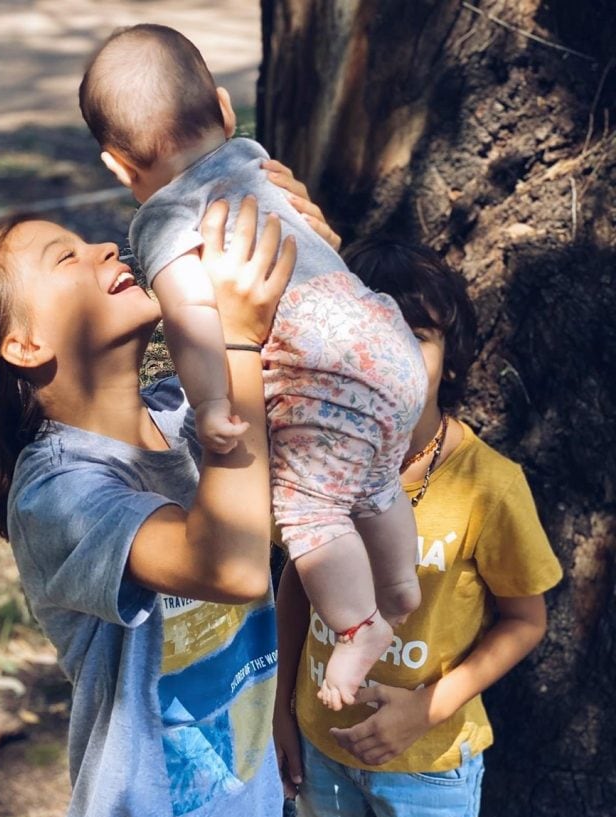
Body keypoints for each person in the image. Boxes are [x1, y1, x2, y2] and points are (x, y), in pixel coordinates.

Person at [0, 197, 297, 817]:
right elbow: (228, 565)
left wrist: (290, 212)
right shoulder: (57, 493)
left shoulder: (190, 416)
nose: (103, 246)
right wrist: (239, 344)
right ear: (23, 344)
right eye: (64, 258)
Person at [78, 23, 428, 710]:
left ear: (118, 166)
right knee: (373, 478)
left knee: (310, 510)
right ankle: (401, 584)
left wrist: (213, 405)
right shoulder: (257, 161)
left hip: (327, 373)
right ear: (225, 108)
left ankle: (360, 625)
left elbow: (189, 317)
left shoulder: (163, 218)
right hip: (386, 338)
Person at [273, 238, 563, 817]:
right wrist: (283, 709)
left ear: (453, 356)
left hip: (428, 760)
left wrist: (424, 709)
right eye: (371, 329)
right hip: (325, 743)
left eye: (417, 332)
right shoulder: (314, 463)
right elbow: (295, 584)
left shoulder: (490, 483)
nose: (389, 351)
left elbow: (527, 621)